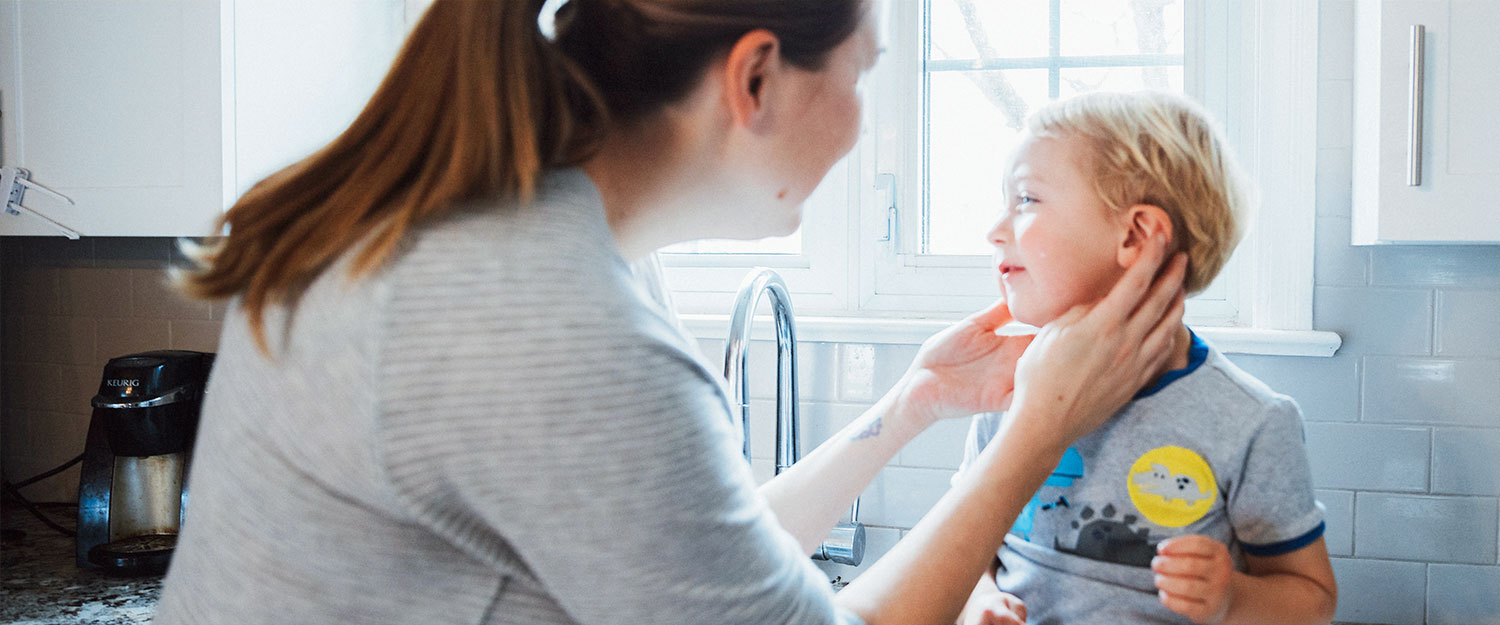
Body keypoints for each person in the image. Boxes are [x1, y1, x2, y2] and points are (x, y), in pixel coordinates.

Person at [154, 2, 1189, 623]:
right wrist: (1037, 429)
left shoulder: (532, 238)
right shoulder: (557, 322)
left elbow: (702, 565)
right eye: (863, 74)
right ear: (756, 77)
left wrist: (912, 405)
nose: (866, 122)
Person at [955, 91, 1338, 625]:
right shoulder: (1012, 389)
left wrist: (1235, 598)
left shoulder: (1251, 421)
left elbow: (1312, 597)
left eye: (1026, 200)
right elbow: (968, 549)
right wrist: (980, 601)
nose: (995, 230)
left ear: (1135, 235)